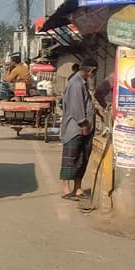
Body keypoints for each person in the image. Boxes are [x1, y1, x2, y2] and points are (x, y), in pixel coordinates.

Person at [60, 57, 98, 201]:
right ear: (91, 71)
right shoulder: (76, 84)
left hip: (84, 128)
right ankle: (66, 189)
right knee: (72, 158)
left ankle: (78, 188)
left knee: (82, 159)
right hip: (75, 129)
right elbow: (76, 108)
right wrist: (83, 124)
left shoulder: (82, 83)